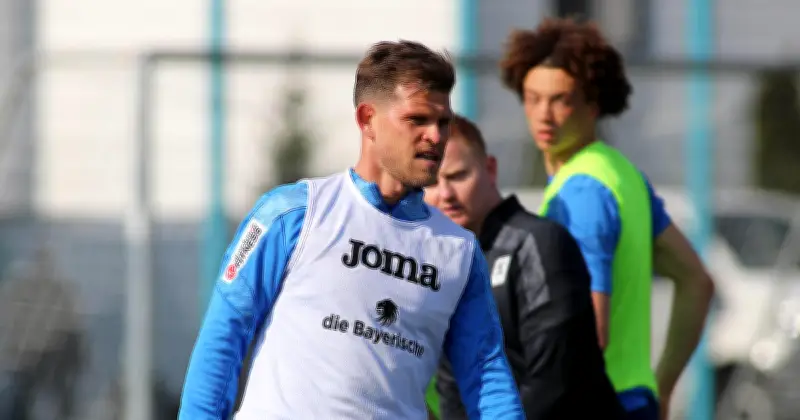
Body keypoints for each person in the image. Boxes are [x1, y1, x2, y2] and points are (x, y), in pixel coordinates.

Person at [178, 40, 524, 420]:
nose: (436, 136)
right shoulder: (292, 213)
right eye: (418, 120)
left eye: (443, 122)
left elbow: (486, 375)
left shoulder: (459, 251)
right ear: (367, 119)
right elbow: (224, 337)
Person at [498, 18, 716, 420]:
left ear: (593, 104)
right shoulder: (621, 175)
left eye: (560, 99)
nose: (544, 114)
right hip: (634, 400)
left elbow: (588, 333)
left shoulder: (581, 191)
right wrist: (661, 387)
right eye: (532, 98)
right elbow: (697, 281)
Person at [423, 115, 626, 419]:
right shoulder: (447, 269)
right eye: (431, 182)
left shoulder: (539, 243)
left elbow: (554, 381)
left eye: (458, 176)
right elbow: (453, 391)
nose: (446, 194)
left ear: (490, 169)